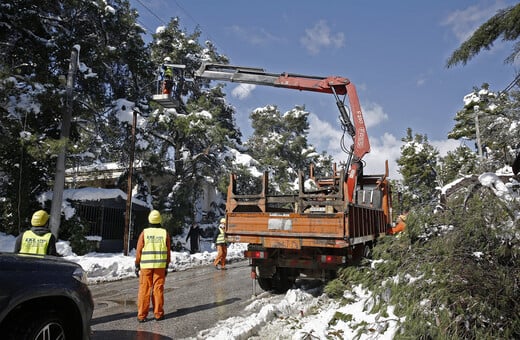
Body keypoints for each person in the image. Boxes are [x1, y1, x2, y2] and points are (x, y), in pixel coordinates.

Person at [135, 209, 171, 323]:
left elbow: (139, 250)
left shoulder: (144, 233)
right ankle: (158, 314)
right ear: (160, 220)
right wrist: (166, 265)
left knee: (144, 290)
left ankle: (142, 315)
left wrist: (137, 264)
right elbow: (168, 251)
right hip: (160, 266)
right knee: (158, 289)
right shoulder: (164, 233)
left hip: (146, 266)